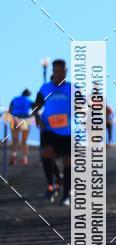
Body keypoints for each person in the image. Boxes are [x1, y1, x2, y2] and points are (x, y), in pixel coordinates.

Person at [34, 59, 71, 205]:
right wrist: (37, 118)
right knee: (46, 153)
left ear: (65, 72)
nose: (59, 75)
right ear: (53, 72)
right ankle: (51, 186)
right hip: (48, 128)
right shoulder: (45, 88)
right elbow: (36, 106)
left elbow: (83, 105)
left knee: (68, 160)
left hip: (67, 131)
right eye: (56, 72)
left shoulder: (72, 88)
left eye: (62, 72)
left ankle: (66, 195)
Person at [6, 89, 33, 165]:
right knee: (24, 141)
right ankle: (24, 159)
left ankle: (13, 156)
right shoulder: (29, 100)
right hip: (25, 120)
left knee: (15, 140)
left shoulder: (15, 99)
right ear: (28, 94)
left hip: (15, 120)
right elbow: (35, 109)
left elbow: (10, 110)